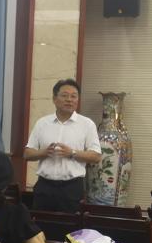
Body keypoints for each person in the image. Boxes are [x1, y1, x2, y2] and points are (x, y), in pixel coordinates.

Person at [23, 79, 101, 213]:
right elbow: (27, 154)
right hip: (44, 187)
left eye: (73, 96)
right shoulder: (42, 123)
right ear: (54, 99)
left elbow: (96, 156)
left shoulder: (87, 124)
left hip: (71, 188)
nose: (69, 100)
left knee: (69, 226)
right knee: (41, 223)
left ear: (78, 100)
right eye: (64, 95)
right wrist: (43, 152)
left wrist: (72, 153)